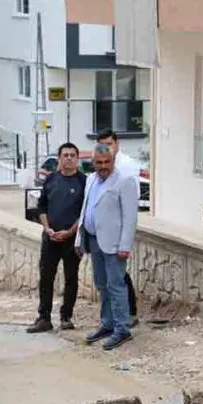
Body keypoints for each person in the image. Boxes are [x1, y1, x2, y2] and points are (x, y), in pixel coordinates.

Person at [75, 143, 138, 351]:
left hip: (114, 244)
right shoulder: (91, 179)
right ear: (93, 162)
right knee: (101, 284)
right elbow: (85, 209)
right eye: (99, 162)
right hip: (93, 239)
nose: (103, 166)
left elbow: (130, 217)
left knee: (116, 285)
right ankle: (107, 324)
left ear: (113, 161)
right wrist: (79, 239)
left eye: (107, 162)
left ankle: (122, 328)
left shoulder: (124, 181)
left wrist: (125, 245)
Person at [26, 142, 87, 333]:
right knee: (46, 277)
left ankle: (66, 316)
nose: (68, 158)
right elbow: (41, 206)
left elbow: (86, 212)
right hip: (50, 238)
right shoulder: (51, 179)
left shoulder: (84, 182)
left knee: (71, 278)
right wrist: (48, 228)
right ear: (59, 159)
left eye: (72, 155)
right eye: (65, 155)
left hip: (72, 239)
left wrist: (70, 231)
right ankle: (44, 318)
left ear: (77, 159)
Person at [96, 129, 140, 328]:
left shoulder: (126, 167)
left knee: (118, 280)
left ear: (117, 144)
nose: (107, 148)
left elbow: (130, 204)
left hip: (117, 231)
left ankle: (126, 318)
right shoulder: (97, 171)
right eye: (102, 144)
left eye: (109, 143)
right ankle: (109, 321)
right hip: (100, 235)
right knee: (106, 281)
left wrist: (125, 241)